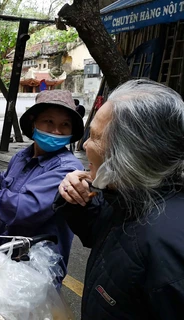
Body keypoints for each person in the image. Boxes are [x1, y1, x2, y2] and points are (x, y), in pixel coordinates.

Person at [54, 79, 184, 318]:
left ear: (131, 152)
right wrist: (74, 199)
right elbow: (104, 233)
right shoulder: (131, 195)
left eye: (94, 136)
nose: (84, 145)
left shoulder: (168, 246)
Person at [0, 90, 84, 284]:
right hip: (4, 247)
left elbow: (23, 209)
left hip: (35, 266)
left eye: (65, 125)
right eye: (49, 122)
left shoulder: (67, 169)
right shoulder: (22, 156)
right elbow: (10, 190)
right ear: (34, 122)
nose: (57, 131)